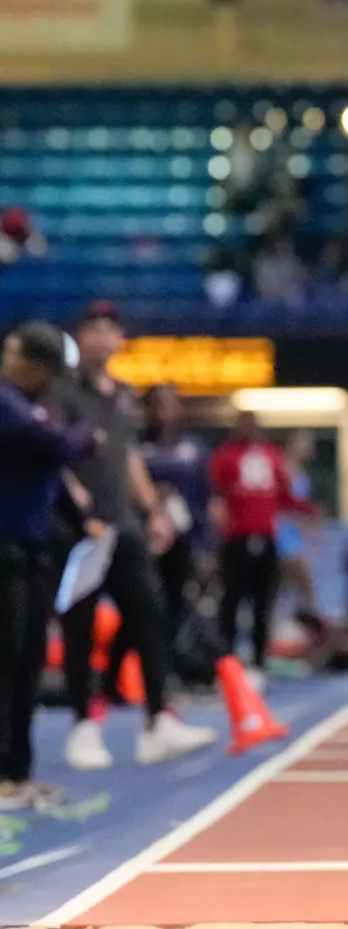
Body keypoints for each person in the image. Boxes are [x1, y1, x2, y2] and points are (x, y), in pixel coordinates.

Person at [50, 301, 217, 770]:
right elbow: (55, 455)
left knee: (151, 612)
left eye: (110, 329)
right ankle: (84, 724)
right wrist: (78, 501)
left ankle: (157, 719)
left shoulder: (124, 396)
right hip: (79, 529)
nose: (103, 338)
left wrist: (154, 510)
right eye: (94, 329)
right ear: (80, 337)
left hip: (122, 526)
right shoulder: (62, 392)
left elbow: (128, 461)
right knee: (79, 625)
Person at [0, 322, 101, 808]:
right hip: (6, 548)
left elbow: (53, 469)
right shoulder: (7, 404)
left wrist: (84, 518)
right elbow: (61, 447)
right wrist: (88, 434)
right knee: (7, 660)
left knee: (28, 661)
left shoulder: (33, 409)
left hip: (33, 549)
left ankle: (18, 772)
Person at [103, 383, 212, 697]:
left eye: (170, 405)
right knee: (139, 610)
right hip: (143, 540)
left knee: (174, 610)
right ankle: (113, 678)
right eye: (157, 405)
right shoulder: (136, 447)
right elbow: (122, 487)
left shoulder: (193, 449)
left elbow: (204, 501)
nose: (164, 412)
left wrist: (205, 548)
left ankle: (162, 679)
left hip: (182, 541)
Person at [210, 411, 318, 687]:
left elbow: (284, 495)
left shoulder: (271, 457)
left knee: (263, 603)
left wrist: (308, 511)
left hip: (265, 538)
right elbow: (215, 493)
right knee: (230, 603)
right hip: (235, 539)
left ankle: (258, 662)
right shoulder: (225, 457)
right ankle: (227, 663)